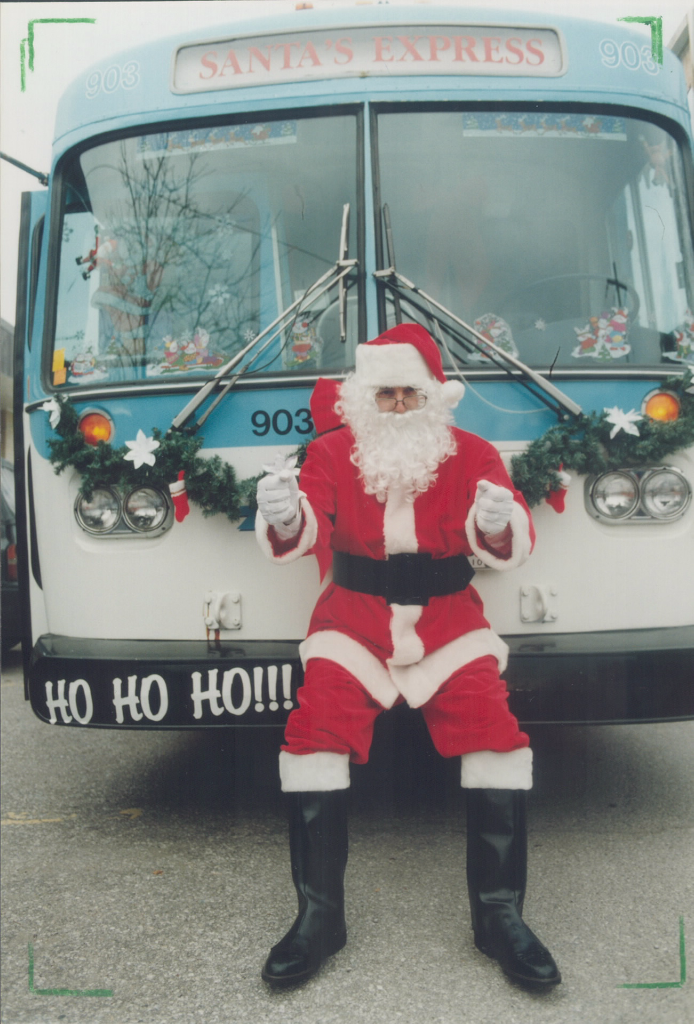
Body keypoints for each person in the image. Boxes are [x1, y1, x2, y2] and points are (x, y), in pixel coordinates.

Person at [255, 323, 561, 991]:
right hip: (352, 623)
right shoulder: (333, 453)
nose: (397, 407)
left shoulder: (474, 451)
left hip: (450, 624)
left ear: (433, 397)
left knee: (495, 738)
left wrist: (494, 520)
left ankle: (500, 915)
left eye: (409, 394)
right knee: (314, 738)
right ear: (364, 398)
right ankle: (318, 917)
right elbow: (310, 525)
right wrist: (283, 517)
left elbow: (508, 542)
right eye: (384, 395)